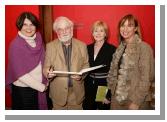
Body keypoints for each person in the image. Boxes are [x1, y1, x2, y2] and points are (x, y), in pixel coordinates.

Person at [107, 14, 155, 110]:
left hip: (135, 100)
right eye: (123, 25)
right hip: (117, 99)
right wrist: (109, 94)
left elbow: (146, 78)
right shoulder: (120, 48)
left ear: (136, 28)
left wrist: (136, 102)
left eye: (130, 25)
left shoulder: (144, 48)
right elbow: (114, 74)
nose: (125, 29)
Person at [43, 16, 89, 110]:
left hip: (76, 94)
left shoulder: (82, 45)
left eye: (66, 28)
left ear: (71, 29)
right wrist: (48, 73)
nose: (64, 32)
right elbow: (46, 67)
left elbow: (86, 64)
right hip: (58, 94)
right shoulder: (50, 46)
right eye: (60, 29)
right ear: (57, 32)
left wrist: (82, 75)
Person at [6, 12, 48, 110]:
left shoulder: (38, 39)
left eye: (32, 24)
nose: (29, 28)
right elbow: (20, 75)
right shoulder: (15, 45)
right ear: (20, 25)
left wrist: (47, 75)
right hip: (24, 90)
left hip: (38, 86)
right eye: (25, 24)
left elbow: (43, 62)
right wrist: (42, 87)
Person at [83, 21, 116, 110]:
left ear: (105, 33)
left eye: (101, 31)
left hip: (103, 86)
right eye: (95, 31)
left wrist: (107, 94)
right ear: (92, 33)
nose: (98, 33)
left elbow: (114, 74)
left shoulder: (112, 49)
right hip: (88, 85)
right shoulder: (86, 48)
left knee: (102, 110)